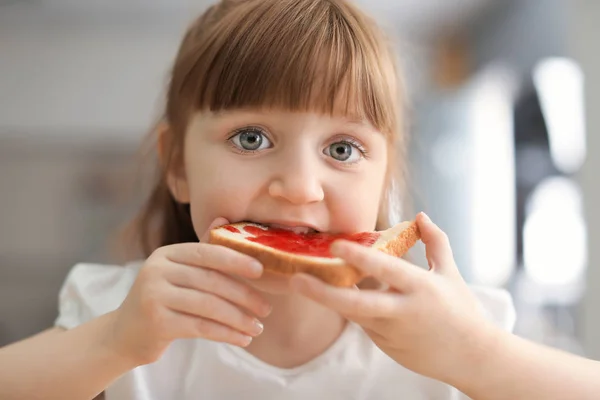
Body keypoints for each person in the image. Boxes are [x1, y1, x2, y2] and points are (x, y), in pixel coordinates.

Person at [0, 1, 515, 399]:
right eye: (251, 138)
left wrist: (480, 355)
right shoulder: (117, 311)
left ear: (384, 181)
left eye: (342, 149)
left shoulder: (450, 328)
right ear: (177, 164)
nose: (297, 187)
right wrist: (114, 341)